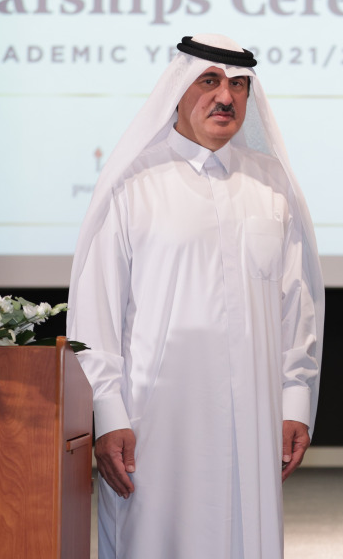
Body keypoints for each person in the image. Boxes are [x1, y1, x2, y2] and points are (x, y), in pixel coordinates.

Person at [67, 34, 324, 559]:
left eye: (238, 86)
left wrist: (294, 400)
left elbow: (296, 307)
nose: (225, 97)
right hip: (155, 423)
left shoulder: (272, 184)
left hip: (254, 418)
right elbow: (96, 314)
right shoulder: (132, 183)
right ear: (179, 90)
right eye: (209, 81)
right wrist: (108, 414)